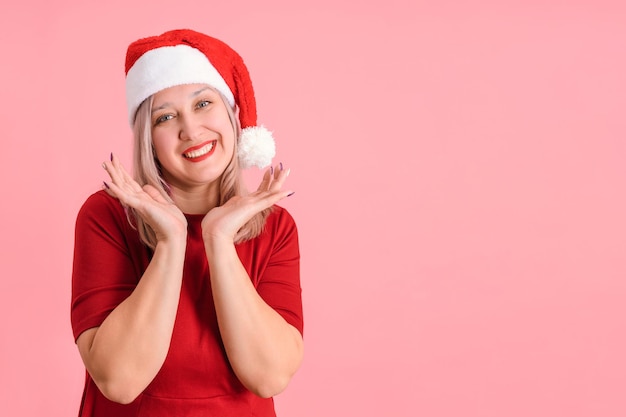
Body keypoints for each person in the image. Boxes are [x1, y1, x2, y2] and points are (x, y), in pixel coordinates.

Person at [71, 29, 303, 417]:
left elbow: (269, 376)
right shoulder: (106, 217)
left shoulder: (276, 228)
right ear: (148, 138)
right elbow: (118, 380)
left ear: (232, 117)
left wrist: (218, 239)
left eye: (203, 104)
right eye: (165, 116)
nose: (191, 130)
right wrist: (172, 240)